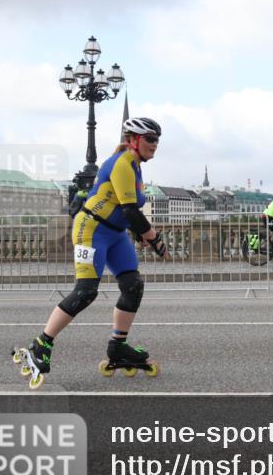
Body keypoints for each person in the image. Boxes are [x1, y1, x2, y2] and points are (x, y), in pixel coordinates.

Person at [13, 117, 168, 389]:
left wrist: (137, 232)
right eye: (150, 139)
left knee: (133, 285)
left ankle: (118, 346)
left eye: (157, 140)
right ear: (133, 140)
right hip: (92, 230)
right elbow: (130, 210)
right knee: (86, 291)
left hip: (116, 234)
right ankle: (41, 344)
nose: (155, 144)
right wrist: (154, 238)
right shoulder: (121, 163)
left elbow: (125, 209)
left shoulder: (136, 166)